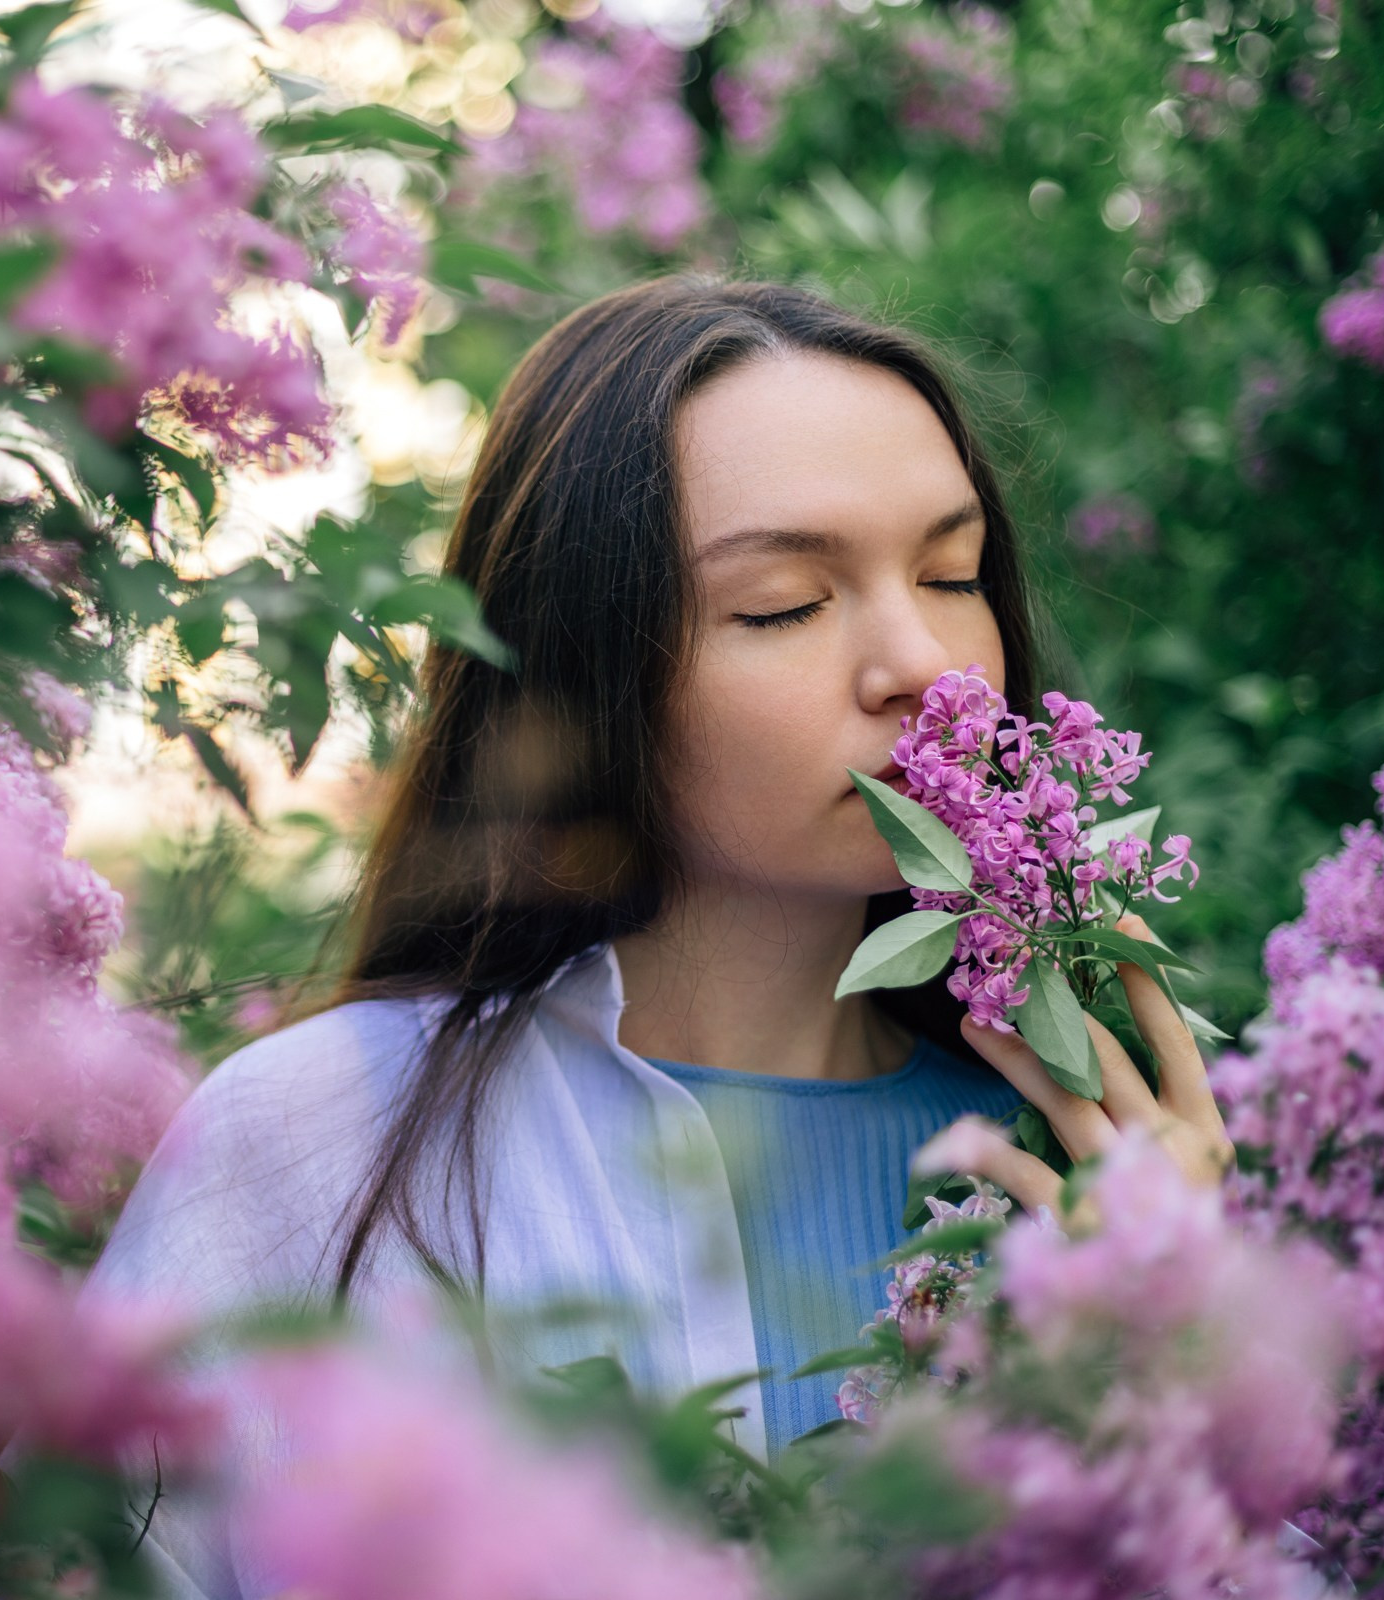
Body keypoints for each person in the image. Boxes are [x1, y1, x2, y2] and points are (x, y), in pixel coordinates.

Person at [81, 277, 1237, 1599]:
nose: (925, 662)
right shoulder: (320, 1150)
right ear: (585, 674)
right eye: (786, 604)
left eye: (951, 572)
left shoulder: (1074, 1169)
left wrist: (1182, 1365)